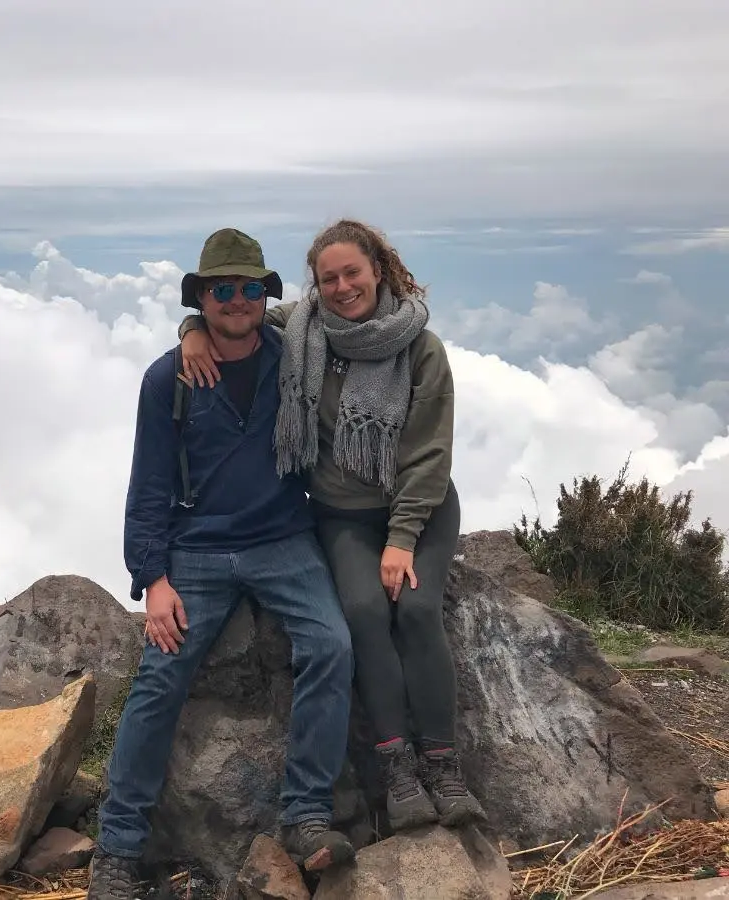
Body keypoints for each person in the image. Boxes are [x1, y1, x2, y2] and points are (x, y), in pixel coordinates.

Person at [177, 219, 486, 833]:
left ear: (379, 269)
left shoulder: (421, 347)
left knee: (419, 610)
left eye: (353, 272)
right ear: (315, 287)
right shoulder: (304, 328)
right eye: (329, 277)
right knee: (365, 614)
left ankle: (443, 765)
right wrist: (190, 331)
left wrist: (401, 541)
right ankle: (397, 766)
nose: (343, 286)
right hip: (343, 513)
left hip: (418, 507)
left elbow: (430, 454)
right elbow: (234, 314)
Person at [88, 228, 356, 900]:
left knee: (330, 645)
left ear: (265, 294)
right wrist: (153, 580)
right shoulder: (166, 379)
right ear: (202, 297)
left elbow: (357, 315)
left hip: (282, 537)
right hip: (197, 550)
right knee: (159, 678)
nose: (236, 301)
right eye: (220, 290)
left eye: (248, 288)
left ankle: (307, 815)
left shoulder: (291, 354)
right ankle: (117, 849)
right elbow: (148, 486)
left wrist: (191, 329)